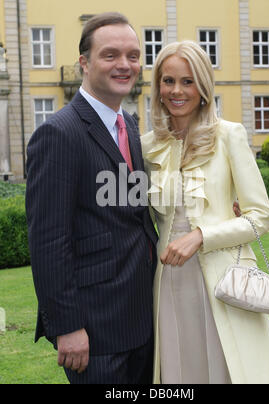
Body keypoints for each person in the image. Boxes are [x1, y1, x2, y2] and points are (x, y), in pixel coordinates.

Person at [26, 12, 158, 384]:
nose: (125, 65)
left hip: (141, 319)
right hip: (94, 331)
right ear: (84, 62)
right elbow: (48, 241)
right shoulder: (58, 134)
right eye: (111, 55)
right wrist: (67, 327)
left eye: (133, 55)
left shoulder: (128, 125)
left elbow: (135, 212)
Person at [141, 40, 269, 384]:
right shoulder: (146, 145)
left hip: (224, 280)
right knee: (178, 370)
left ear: (203, 87)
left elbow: (260, 216)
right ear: (157, 86)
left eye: (187, 81)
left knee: (226, 370)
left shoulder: (230, 135)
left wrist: (202, 236)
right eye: (168, 80)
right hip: (168, 282)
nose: (177, 90)